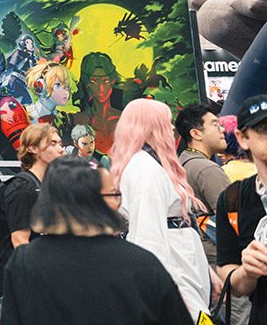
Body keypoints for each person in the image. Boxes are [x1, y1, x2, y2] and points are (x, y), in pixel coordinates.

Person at [0, 156, 193, 325]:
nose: (118, 204)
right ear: (89, 201)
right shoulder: (141, 264)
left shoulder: (24, 262)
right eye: (114, 194)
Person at [111, 98, 210, 320]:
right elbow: (148, 240)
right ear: (149, 128)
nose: (172, 128)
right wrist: (167, 295)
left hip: (181, 271)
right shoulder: (144, 170)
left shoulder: (149, 165)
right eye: (167, 122)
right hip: (176, 276)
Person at [0, 123, 64, 299]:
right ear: (33, 148)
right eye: (52, 144)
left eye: (60, 143)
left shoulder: (45, 186)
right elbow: (20, 241)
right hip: (25, 285)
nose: (61, 149)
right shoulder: (23, 190)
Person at [216, 95, 267, 325]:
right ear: (242, 138)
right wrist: (248, 271)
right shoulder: (232, 199)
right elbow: (228, 272)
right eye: (263, 129)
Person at [176, 102, 231, 268]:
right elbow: (233, 219)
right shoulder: (206, 169)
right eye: (215, 124)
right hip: (217, 261)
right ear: (196, 133)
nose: (222, 130)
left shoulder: (182, 162)